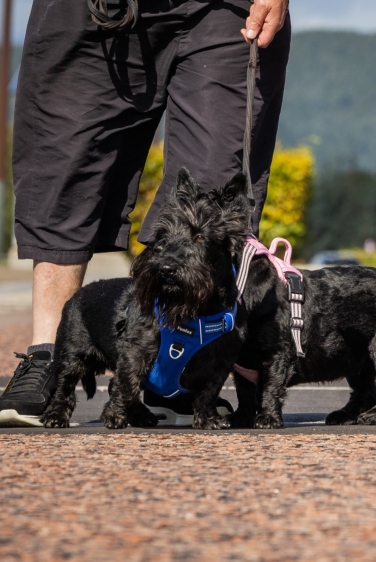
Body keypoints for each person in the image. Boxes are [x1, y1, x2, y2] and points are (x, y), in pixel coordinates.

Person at [0, 0, 291, 427]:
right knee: (65, 165)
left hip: (227, 8)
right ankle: (49, 355)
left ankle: (170, 370)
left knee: (213, 186)